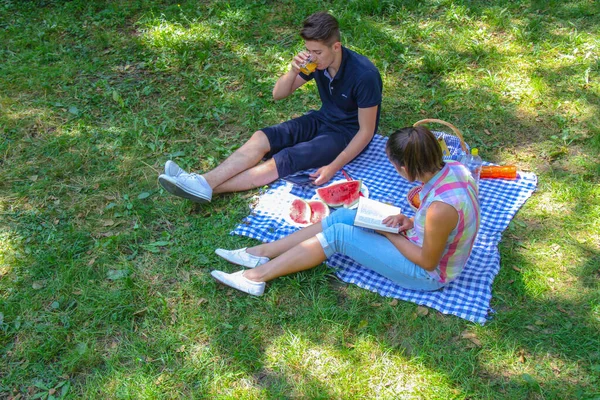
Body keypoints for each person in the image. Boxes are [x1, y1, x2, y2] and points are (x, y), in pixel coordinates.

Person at [210, 126, 481, 296]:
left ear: (405, 168)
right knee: (346, 214)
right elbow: (445, 226)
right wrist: (408, 221)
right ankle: (262, 253)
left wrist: (389, 234)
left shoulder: (439, 209)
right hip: (420, 242)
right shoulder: (457, 170)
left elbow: (427, 262)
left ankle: (255, 278)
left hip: (427, 275)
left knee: (339, 235)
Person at [158, 12, 382, 203]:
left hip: (345, 134)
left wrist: (333, 166)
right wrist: (293, 71)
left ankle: (200, 186)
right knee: (262, 137)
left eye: (318, 52)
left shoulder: (364, 75)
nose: (312, 57)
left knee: (285, 158)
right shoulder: (316, 62)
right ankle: (202, 182)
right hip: (322, 119)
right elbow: (279, 94)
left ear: (336, 46)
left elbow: (366, 132)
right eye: (308, 50)